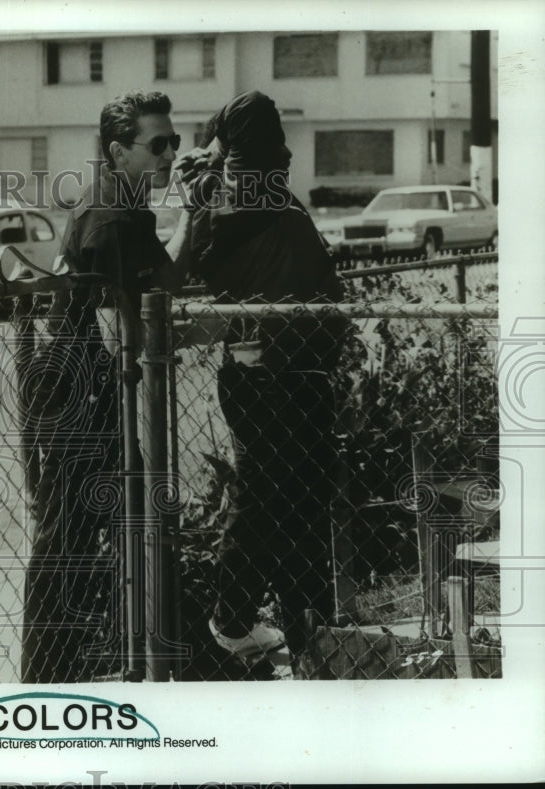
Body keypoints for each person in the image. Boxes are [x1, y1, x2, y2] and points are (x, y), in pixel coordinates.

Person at [21, 90, 186, 683]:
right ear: (119, 150)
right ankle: (45, 679)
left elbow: (158, 291)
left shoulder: (123, 204)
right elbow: (153, 308)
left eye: (175, 141)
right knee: (67, 536)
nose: (170, 154)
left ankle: (121, 654)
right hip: (83, 397)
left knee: (116, 523)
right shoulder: (112, 217)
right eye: (157, 144)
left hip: (92, 390)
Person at [176, 90, 347, 664]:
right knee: (280, 501)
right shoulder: (253, 198)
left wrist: (207, 164)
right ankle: (253, 620)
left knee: (282, 502)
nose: (286, 156)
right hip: (281, 372)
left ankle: (296, 626)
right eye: (272, 146)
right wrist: (213, 159)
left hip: (275, 371)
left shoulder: (229, 201)